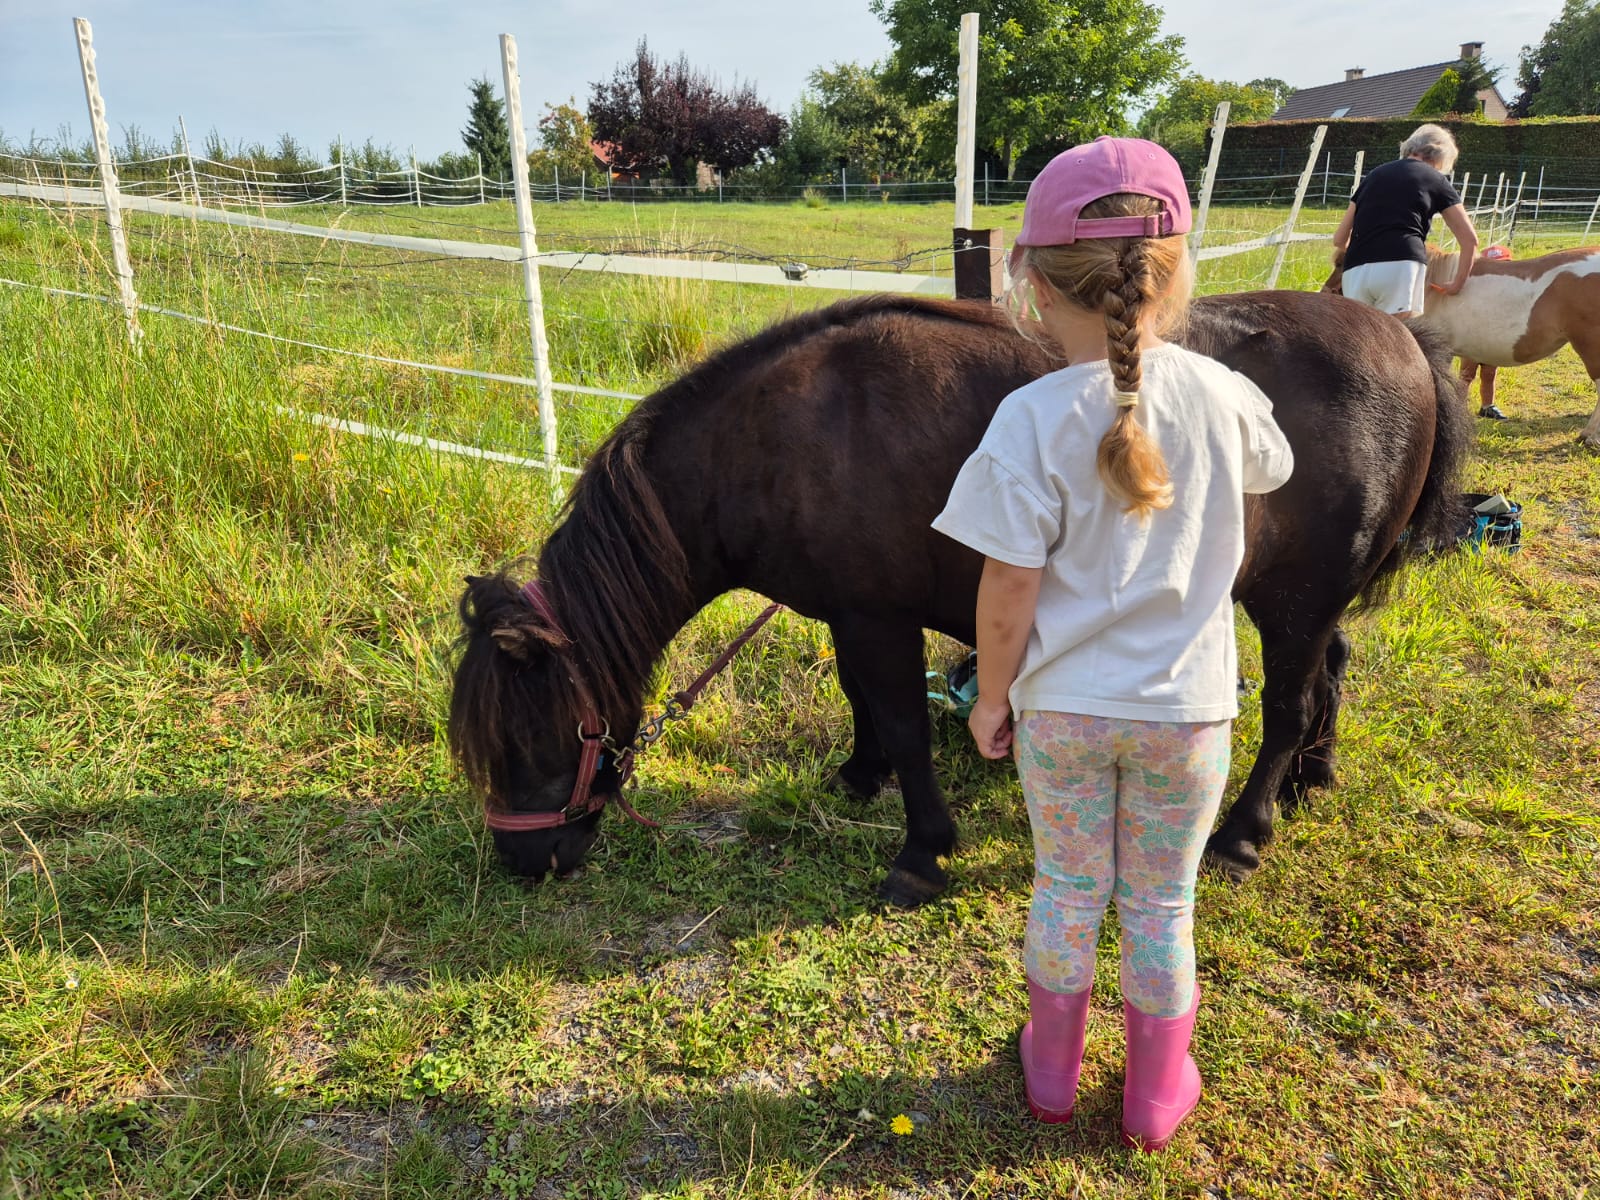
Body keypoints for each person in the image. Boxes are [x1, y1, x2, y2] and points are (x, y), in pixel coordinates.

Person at [931, 137, 1294, 1151]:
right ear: (1173, 277)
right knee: (1159, 906)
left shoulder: (1025, 417)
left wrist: (991, 699)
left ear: (1034, 288)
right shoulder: (1224, 400)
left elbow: (1007, 587)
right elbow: (1269, 469)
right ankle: (1152, 1093)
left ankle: (1050, 1073)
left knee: (1066, 888)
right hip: (1188, 715)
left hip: (1063, 712)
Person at [1331, 126, 1495, 414]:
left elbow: (1339, 239)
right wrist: (1457, 283)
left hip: (1355, 269)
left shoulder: (1374, 175)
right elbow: (1470, 240)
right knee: (1399, 344)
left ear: (1409, 148)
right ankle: (1396, 412)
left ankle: (1356, 409)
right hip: (1401, 265)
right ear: (1439, 157)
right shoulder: (1435, 178)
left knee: (1360, 342)